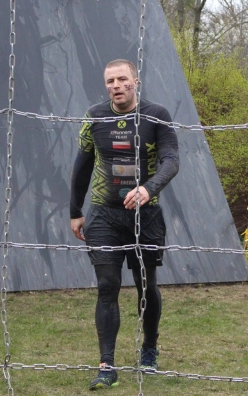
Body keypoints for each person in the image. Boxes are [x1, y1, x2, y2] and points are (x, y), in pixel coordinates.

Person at [70, 59, 179, 390]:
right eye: (110, 81)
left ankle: (149, 349)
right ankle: (107, 366)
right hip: (104, 216)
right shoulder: (94, 117)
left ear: (135, 82)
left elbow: (171, 160)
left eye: (121, 79)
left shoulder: (157, 115)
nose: (115, 86)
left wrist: (148, 189)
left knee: (146, 285)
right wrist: (75, 211)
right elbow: (82, 165)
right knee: (107, 285)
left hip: (146, 216)